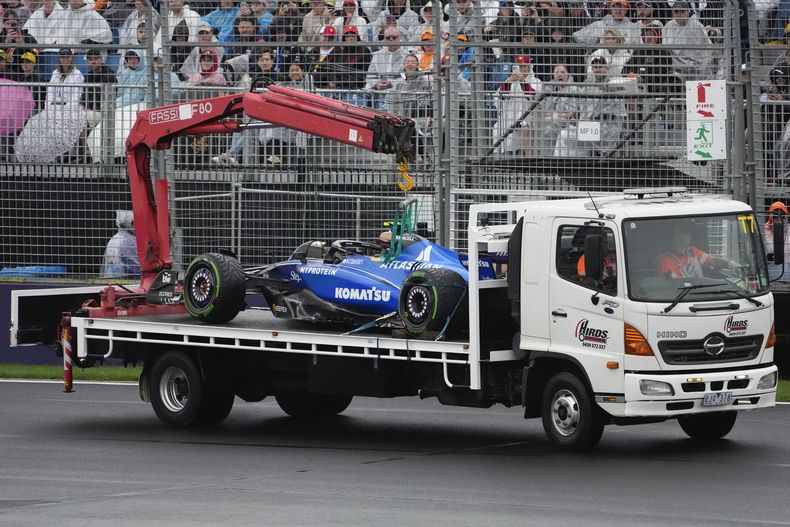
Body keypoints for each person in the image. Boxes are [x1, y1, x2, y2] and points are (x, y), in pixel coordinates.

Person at [656, 228, 730, 278]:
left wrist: (731, 265)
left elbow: (713, 261)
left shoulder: (693, 251)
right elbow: (675, 284)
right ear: (677, 237)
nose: (691, 237)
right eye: (687, 234)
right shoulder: (665, 260)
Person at [573, 0, 641, 46]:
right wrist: (596, 40)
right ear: (610, 8)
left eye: (621, 7)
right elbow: (577, 36)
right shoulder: (599, 24)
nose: (618, 11)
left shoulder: (633, 27)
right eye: (615, 7)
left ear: (626, 10)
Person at [102, 210, 141, 278]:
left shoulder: (115, 237)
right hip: (125, 280)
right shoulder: (127, 241)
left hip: (112, 277)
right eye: (135, 222)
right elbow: (135, 267)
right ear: (129, 224)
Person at [765, 201, 790, 282]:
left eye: (782, 214)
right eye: (776, 215)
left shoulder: (789, 230)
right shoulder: (763, 231)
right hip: (771, 278)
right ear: (770, 216)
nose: (779, 217)